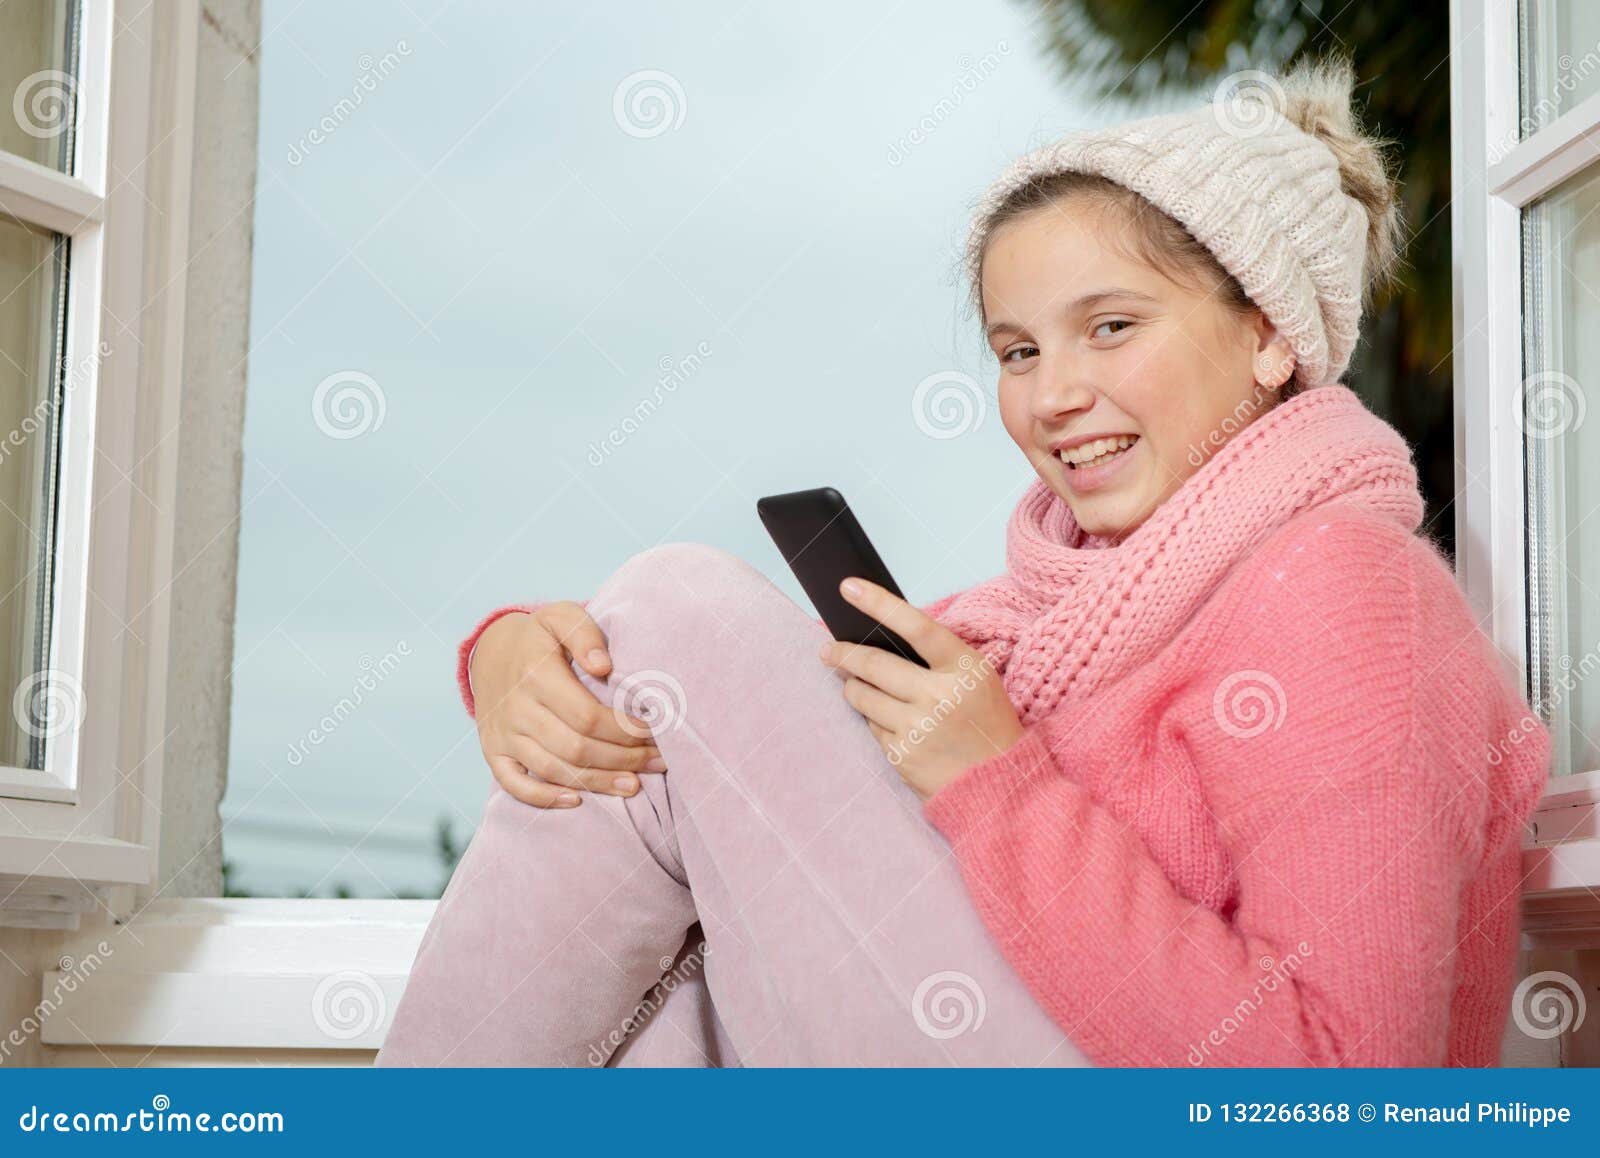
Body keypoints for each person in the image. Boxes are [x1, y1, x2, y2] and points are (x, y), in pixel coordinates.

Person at [375, 56, 1551, 1068]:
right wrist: (516, 655)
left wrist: (1000, 785)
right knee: (647, 755)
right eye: (1017, 349)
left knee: (679, 610)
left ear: (1265, 338)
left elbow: (1339, 1085)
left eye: (1111, 326)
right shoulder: (1052, 612)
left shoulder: (1347, 594)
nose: (1053, 395)